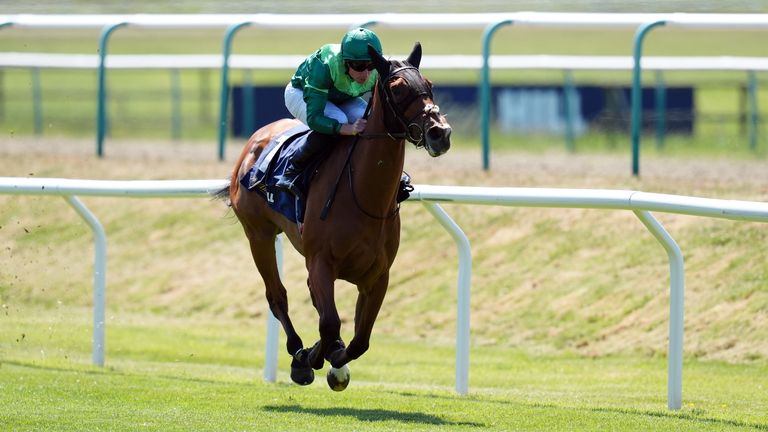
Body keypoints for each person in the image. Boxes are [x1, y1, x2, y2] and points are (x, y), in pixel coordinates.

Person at [275, 27, 383, 199]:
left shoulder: (377, 71)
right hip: (301, 93)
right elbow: (315, 117)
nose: (366, 73)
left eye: (371, 65)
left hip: (342, 95)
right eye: (359, 66)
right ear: (345, 62)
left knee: (370, 120)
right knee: (339, 119)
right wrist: (346, 128)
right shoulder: (324, 66)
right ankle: (293, 170)